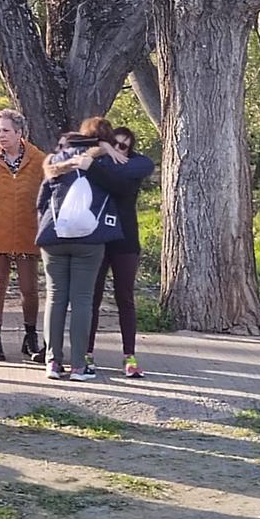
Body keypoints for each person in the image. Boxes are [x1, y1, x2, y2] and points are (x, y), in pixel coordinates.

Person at [36, 117, 142, 382]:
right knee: (82, 300)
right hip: (89, 239)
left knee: (55, 298)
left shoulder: (55, 159)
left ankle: (52, 362)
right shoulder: (107, 162)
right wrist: (106, 152)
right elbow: (122, 187)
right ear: (105, 139)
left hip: (54, 235)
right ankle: (79, 366)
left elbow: (41, 200)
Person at [0, 109, 45, 361]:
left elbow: (49, 194)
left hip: (29, 232)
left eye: (6, 130)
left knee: (29, 288)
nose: (1, 135)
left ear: (19, 132)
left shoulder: (38, 159)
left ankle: (30, 337)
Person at [86, 125, 154, 377]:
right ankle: (87, 352)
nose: (118, 149)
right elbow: (72, 144)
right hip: (99, 238)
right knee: (91, 297)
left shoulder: (132, 169)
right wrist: (100, 148)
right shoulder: (98, 162)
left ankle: (129, 355)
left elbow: (129, 176)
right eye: (114, 143)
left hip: (126, 241)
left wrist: (99, 162)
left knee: (124, 297)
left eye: (124, 146)